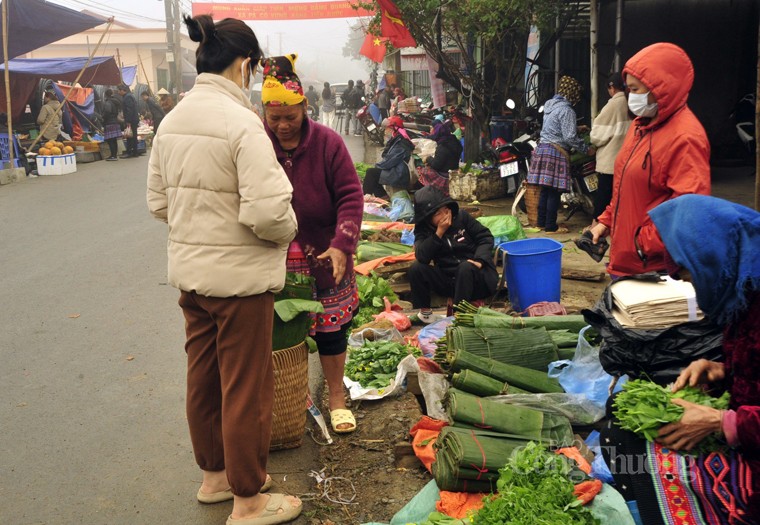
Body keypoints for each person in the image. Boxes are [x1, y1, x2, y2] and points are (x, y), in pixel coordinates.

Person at [146, 14, 302, 525]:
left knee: (204, 379)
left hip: (192, 279)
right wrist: (288, 231)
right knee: (245, 388)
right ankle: (248, 500)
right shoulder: (240, 124)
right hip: (239, 284)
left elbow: (158, 203)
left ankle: (215, 479)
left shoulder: (172, 121)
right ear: (245, 65)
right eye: (254, 69)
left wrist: (200, 228)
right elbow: (270, 213)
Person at [601, 194, 760, 524]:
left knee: (646, 462)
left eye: (689, 276)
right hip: (744, 433)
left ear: (713, 257)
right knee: (620, 417)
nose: (694, 290)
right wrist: (723, 371)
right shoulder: (744, 295)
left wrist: (721, 422)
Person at [259, 54, 364, 435]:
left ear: (305, 106)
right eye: (275, 118)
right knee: (281, 336)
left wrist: (342, 244)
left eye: (291, 116)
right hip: (273, 259)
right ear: (264, 113)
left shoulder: (328, 143)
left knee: (331, 332)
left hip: (324, 256)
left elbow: (351, 196)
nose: (283, 126)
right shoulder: (255, 142)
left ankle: (336, 397)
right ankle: (287, 401)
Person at [589, 43, 711, 278]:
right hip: (626, 261)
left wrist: (641, 243)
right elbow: (626, 188)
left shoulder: (685, 137)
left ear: (660, 88)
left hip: (655, 269)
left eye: (636, 90)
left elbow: (689, 212)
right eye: (628, 89)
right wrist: (606, 222)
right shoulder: (640, 126)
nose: (630, 97)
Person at [409, 185, 499, 323]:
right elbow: (422, 256)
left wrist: (480, 260)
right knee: (416, 268)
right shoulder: (424, 230)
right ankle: (425, 315)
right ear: (428, 218)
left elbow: (485, 237)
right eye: (438, 213)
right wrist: (439, 233)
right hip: (450, 281)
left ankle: (459, 316)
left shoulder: (461, 217)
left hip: (477, 277)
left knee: (465, 267)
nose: (445, 215)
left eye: (446, 210)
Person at [525, 75, 596, 233]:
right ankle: (551, 226)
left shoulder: (551, 104)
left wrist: (577, 127)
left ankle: (541, 223)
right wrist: (587, 149)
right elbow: (569, 137)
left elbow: (555, 127)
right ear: (572, 94)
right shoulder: (567, 110)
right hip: (555, 152)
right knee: (554, 191)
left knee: (546, 189)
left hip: (543, 148)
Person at [589, 71, 631, 221]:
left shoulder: (612, 106)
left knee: (603, 198)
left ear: (612, 88)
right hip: (627, 161)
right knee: (621, 198)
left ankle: (595, 229)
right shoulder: (630, 104)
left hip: (610, 163)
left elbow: (596, 136)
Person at [362, 116, 415, 209]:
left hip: (399, 172)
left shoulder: (401, 142)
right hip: (397, 169)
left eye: (388, 128)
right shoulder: (397, 138)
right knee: (373, 175)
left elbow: (391, 160)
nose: (386, 131)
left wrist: (378, 166)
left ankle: (365, 200)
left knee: (371, 173)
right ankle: (384, 200)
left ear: (394, 128)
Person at [415, 117, 462, 196]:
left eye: (432, 129)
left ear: (437, 132)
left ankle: (434, 190)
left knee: (423, 170)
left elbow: (436, 165)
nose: (431, 131)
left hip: (445, 176)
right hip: (453, 170)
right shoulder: (454, 141)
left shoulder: (443, 146)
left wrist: (428, 159)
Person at [117, 84, 139, 158]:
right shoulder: (129, 96)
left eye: (119, 90)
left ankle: (130, 152)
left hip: (131, 120)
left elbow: (130, 110)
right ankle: (134, 152)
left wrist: (128, 120)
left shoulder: (127, 97)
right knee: (133, 135)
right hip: (133, 119)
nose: (118, 92)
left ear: (123, 90)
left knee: (130, 135)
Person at [101, 89, 123, 161]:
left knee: (110, 140)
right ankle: (114, 155)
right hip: (115, 121)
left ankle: (113, 156)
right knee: (114, 140)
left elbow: (107, 111)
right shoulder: (115, 101)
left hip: (109, 122)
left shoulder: (108, 102)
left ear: (106, 95)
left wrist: (103, 117)